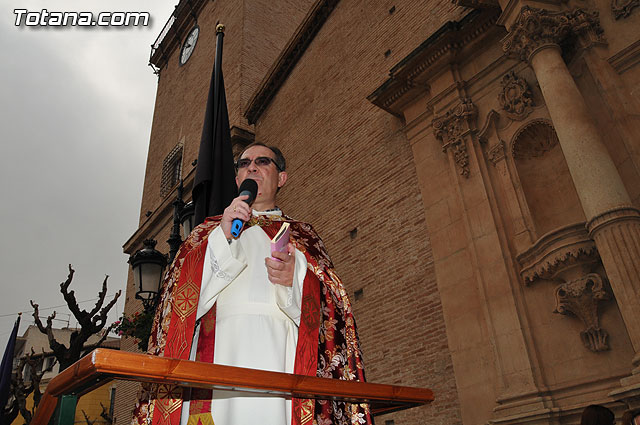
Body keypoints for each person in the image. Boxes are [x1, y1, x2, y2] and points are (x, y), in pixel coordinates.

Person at [132, 143, 372, 425]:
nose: (252, 168)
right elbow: (179, 300)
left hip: (281, 354)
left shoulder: (304, 237)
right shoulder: (208, 232)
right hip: (218, 354)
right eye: (244, 164)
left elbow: (333, 308)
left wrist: (297, 278)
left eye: (262, 162)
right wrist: (222, 239)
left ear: (281, 178)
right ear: (237, 180)